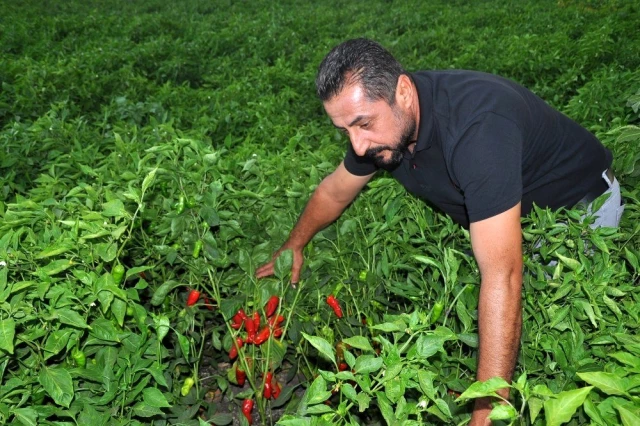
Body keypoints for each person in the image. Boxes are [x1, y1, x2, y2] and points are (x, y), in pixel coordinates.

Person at [255, 38, 623, 425]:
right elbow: (334, 191)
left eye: (363, 124)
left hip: (579, 212)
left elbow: (503, 275)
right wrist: (293, 245)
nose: (358, 146)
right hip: (513, 213)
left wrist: (485, 410)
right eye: (344, 130)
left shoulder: (478, 128)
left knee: (563, 341)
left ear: (402, 91)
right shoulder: (383, 130)